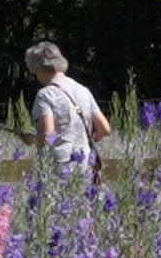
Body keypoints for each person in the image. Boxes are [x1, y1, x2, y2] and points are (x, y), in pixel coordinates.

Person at [23, 41, 112, 172]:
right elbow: (105, 129)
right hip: (85, 164)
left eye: (35, 73)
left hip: (59, 166)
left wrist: (33, 139)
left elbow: (48, 135)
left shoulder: (45, 94)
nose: (36, 77)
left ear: (41, 69)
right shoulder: (83, 90)